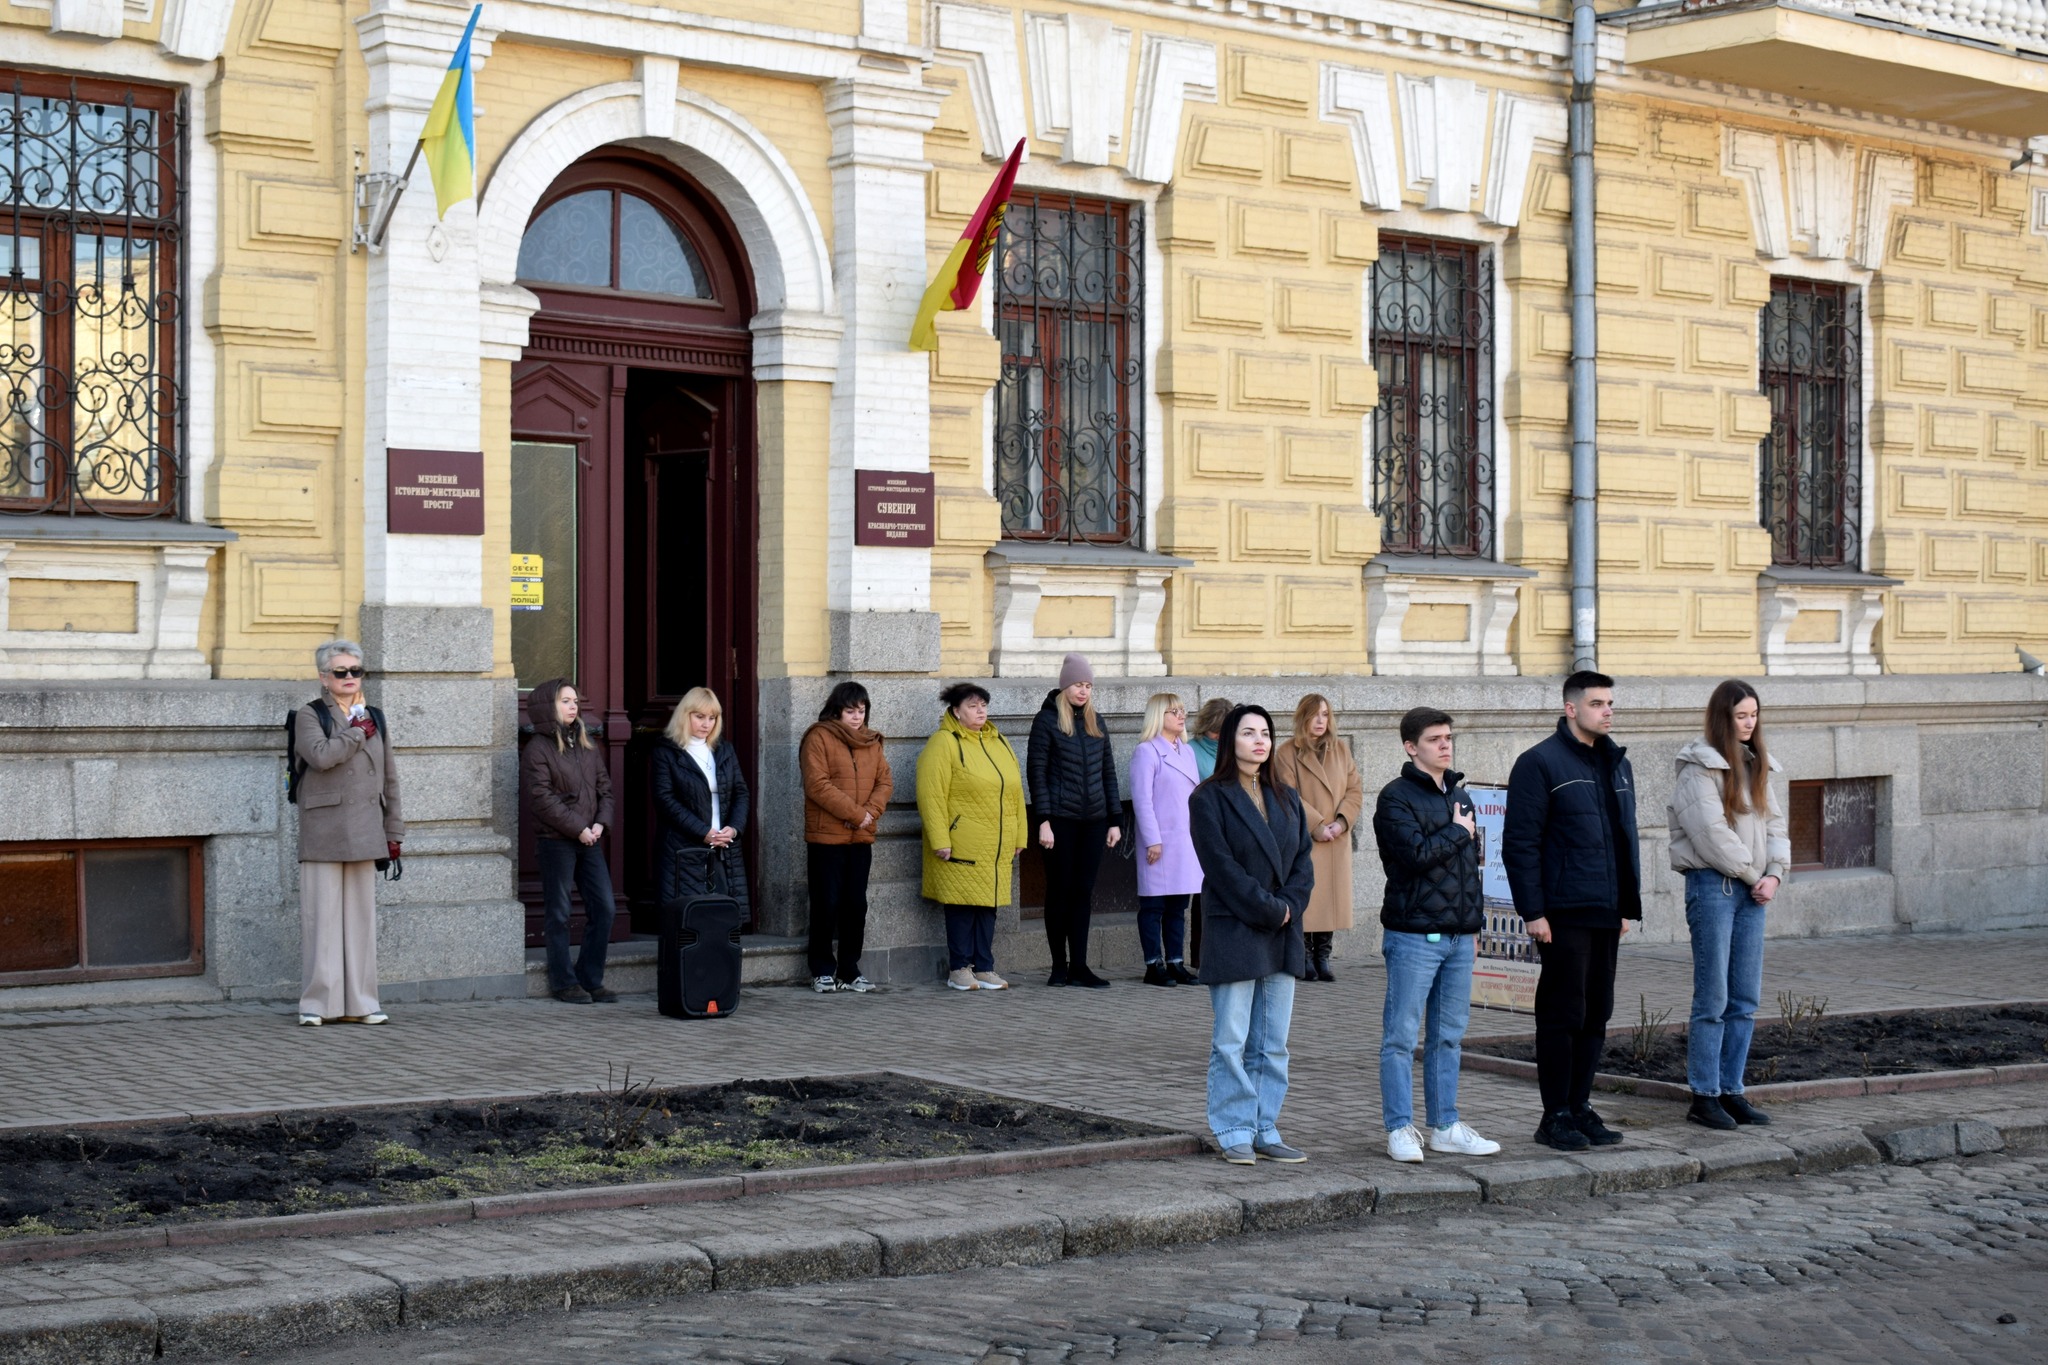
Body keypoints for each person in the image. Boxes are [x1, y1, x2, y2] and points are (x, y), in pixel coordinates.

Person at [1502, 671, 1640, 1153]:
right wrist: (1533, 912)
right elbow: (1520, 843)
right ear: (1571, 708)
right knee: (1563, 1013)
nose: (1607, 711)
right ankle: (1555, 1115)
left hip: (1606, 909)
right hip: (1563, 911)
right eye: (1597, 703)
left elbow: (1624, 838)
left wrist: (1626, 905)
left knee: (1597, 1013)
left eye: (1610, 703)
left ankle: (1580, 1106)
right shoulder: (1539, 762)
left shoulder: (1617, 762)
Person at [1372, 707, 1501, 1163]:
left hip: (1458, 938)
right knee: (1401, 1037)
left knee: (1448, 1037)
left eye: (1448, 737)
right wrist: (1458, 831)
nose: (1445, 745)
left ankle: (1446, 1125)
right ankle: (1399, 1128)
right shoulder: (1395, 797)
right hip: (1413, 936)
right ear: (1411, 747)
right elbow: (1414, 856)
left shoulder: (1461, 796)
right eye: (1434, 739)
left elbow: (1469, 873)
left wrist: (1472, 927)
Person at [1189, 703, 1315, 1165]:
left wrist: (1289, 906)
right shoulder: (1208, 798)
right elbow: (1220, 867)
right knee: (1231, 1040)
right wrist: (1270, 909)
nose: (1260, 740)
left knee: (1273, 1042)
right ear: (1230, 740)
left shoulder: (1287, 797)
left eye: (1265, 733)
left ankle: (1265, 1126)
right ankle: (1234, 1128)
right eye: (1248, 733)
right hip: (1236, 927)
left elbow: (1303, 863)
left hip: (1282, 930)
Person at [1669, 679, 1788, 1131]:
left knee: (1745, 998)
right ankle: (1704, 1096)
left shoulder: (1757, 764)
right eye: (1741, 715)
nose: (1749, 723)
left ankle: (1731, 1089)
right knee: (1713, 998)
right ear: (1723, 718)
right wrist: (1757, 877)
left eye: (1754, 715)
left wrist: (1775, 874)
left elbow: (1775, 825)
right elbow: (1710, 834)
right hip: (1714, 887)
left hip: (1753, 891)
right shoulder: (1698, 767)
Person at [293, 639, 403, 1027]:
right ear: (324, 677)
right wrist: (355, 733)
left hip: (366, 828)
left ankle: (362, 1002)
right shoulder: (309, 715)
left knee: (360, 922)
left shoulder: (376, 716)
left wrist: (394, 830)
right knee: (321, 921)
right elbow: (320, 756)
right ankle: (317, 1004)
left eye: (356, 671)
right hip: (324, 828)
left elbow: (390, 778)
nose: (350, 677)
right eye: (341, 671)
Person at [916, 682, 1028, 991]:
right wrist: (940, 838)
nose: (980, 711)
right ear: (956, 711)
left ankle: (985, 967)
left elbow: (1016, 793)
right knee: (962, 906)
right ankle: (959, 968)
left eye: (983, 705)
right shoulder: (944, 743)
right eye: (972, 706)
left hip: (996, 844)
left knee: (988, 906)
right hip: (962, 841)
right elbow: (931, 794)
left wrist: (1020, 835)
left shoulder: (998, 741)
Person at [1026, 653, 1122, 988]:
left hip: (1094, 821)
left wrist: (1114, 819)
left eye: (1088, 686)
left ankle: (1079, 966)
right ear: (1065, 685)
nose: (1083, 691)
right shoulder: (1046, 721)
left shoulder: (1097, 722)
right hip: (1060, 821)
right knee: (1060, 890)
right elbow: (1036, 774)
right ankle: (1059, 966)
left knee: (1083, 891)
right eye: (1078, 684)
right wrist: (1043, 820)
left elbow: (1108, 773)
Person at [522, 679, 617, 1005]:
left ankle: (590, 979)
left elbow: (605, 789)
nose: (573, 706)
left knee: (604, 908)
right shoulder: (537, 749)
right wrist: (578, 828)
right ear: (548, 706)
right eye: (565, 701)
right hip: (556, 842)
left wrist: (601, 823)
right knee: (559, 913)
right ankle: (564, 982)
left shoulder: (586, 745)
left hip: (589, 840)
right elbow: (542, 799)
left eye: (575, 700)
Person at [800, 680, 894, 995]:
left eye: (861, 711)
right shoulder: (818, 737)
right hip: (826, 839)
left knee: (856, 905)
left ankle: (849, 970)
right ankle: (821, 970)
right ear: (836, 710)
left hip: (861, 838)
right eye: (850, 711)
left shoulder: (872, 742)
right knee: (825, 904)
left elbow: (884, 782)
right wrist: (857, 814)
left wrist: (870, 813)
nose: (856, 717)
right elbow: (817, 784)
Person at [1273, 693, 1362, 983]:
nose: (1321, 721)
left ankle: (1323, 956)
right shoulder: (1287, 752)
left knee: (1330, 900)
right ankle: (1304, 956)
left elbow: (1354, 789)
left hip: (1336, 838)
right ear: (1303, 717)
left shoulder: (1341, 749)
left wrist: (1341, 822)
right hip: (1307, 838)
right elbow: (1288, 795)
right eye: (1315, 715)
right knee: (1309, 899)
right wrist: (1317, 825)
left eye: (1325, 714)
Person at [651, 686, 752, 933]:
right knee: (688, 924)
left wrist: (734, 829)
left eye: (712, 718)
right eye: (699, 716)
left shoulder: (724, 750)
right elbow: (665, 799)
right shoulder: (667, 752)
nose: (706, 724)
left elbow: (741, 793)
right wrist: (703, 831)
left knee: (722, 922)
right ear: (685, 715)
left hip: (724, 848)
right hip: (683, 848)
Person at [1129, 693, 1201, 987]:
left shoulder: (1187, 752)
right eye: (1174, 711)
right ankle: (1153, 964)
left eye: (1183, 710)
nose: (1181, 716)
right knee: (1153, 906)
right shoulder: (1147, 752)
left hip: (1184, 841)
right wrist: (1152, 840)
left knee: (1178, 906)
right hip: (1160, 840)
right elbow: (1142, 800)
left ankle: (1175, 961)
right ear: (1159, 716)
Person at [1186, 696, 1233, 971]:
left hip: (1232, 827)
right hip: (1204, 827)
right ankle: (1200, 955)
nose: (1218, 736)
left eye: (1223, 731)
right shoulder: (1190, 751)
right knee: (1203, 894)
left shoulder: (1234, 751)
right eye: (1214, 730)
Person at [1190, 698, 1232, 780]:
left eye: (1225, 732)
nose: (1220, 736)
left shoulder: (1237, 748)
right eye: (1215, 731)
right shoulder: (1189, 750)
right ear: (1204, 727)